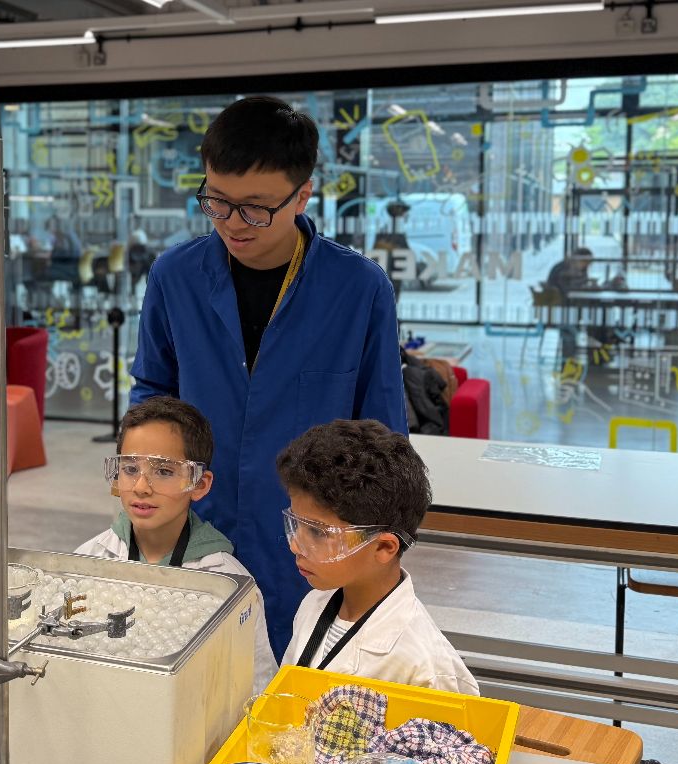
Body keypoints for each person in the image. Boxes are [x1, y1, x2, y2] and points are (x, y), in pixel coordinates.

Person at [130, 96, 408, 657]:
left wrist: (376, 548)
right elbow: (151, 398)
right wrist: (143, 493)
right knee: (189, 668)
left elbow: (382, 433)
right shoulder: (175, 277)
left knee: (296, 687)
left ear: (302, 194)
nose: (233, 223)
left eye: (256, 208)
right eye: (217, 202)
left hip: (307, 536)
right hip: (195, 521)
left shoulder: (358, 288)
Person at [74, 397, 278, 694]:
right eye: (130, 468)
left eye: (164, 472)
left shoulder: (228, 584)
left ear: (199, 484)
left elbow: (255, 686)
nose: (142, 487)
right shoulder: (87, 560)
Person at [274, 419, 476, 694]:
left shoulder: (426, 669)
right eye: (295, 524)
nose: (295, 546)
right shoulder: (314, 604)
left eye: (318, 533)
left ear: (383, 548)